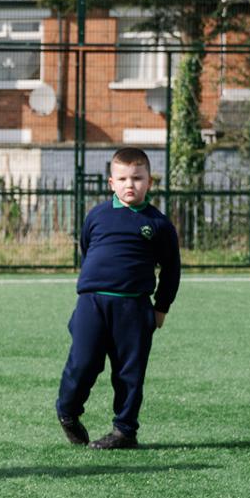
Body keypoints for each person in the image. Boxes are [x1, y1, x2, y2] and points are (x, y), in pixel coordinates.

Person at [56, 147, 182, 450]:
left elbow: (172, 269)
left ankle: (125, 430)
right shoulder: (97, 215)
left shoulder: (159, 224)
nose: (130, 184)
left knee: (129, 372)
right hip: (93, 303)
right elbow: (88, 249)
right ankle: (68, 411)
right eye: (123, 178)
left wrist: (161, 308)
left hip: (135, 307)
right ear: (111, 183)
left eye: (137, 178)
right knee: (83, 362)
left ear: (149, 182)